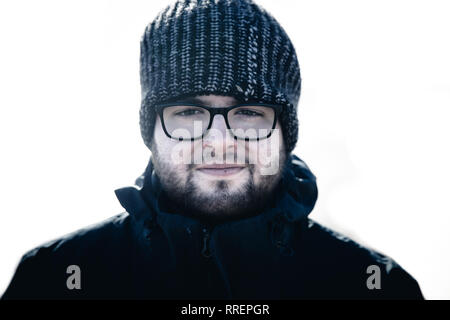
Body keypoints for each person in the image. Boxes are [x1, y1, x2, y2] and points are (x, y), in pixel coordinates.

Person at [2, 0, 424, 299]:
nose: (220, 141)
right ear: (150, 131)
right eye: (188, 111)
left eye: (248, 112)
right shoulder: (53, 280)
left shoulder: (372, 287)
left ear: (285, 131)